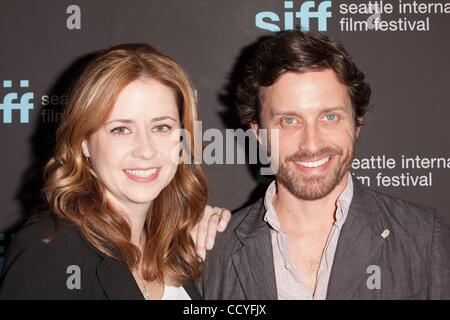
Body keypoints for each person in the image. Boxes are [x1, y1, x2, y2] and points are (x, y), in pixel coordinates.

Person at [199, 31, 450, 300]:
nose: (311, 143)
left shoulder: (424, 238)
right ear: (259, 134)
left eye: (330, 117)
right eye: (289, 121)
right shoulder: (213, 252)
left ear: (357, 124)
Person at [0, 43, 230, 300]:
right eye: (121, 129)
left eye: (161, 127)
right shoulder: (50, 248)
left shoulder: (178, 247)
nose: (145, 150)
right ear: (84, 142)